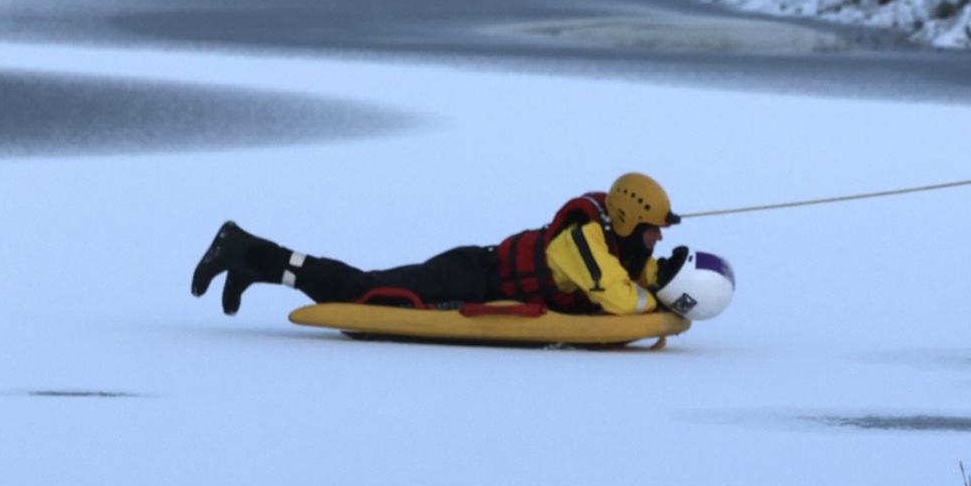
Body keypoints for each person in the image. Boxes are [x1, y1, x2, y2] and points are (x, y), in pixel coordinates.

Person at [191, 172, 688, 317]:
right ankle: (245, 248)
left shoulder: (614, 241)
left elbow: (631, 274)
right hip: (469, 279)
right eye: (653, 229)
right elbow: (619, 298)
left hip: (478, 269)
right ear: (628, 218)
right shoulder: (584, 241)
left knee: (369, 286)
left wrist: (662, 276)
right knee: (370, 294)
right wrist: (652, 298)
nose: (658, 238)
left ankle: (254, 263)